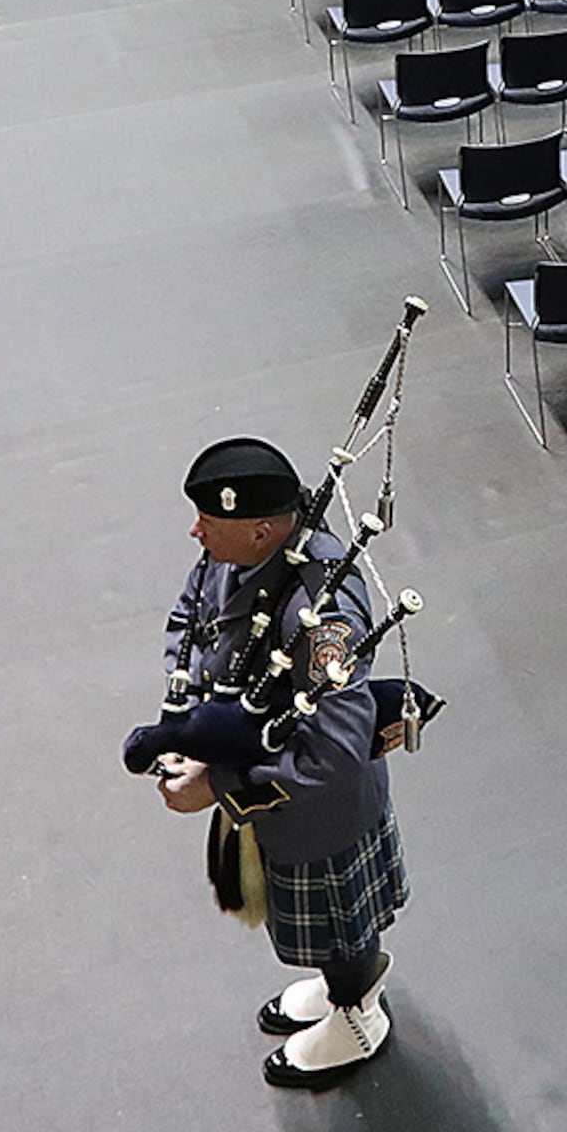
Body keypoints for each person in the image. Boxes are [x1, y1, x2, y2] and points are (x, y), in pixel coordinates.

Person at [151, 435, 410, 1089]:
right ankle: (337, 987)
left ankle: (357, 1012)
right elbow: (192, 614)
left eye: (209, 523)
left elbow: (336, 754)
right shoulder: (229, 557)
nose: (195, 532)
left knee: (340, 926)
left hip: (316, 814)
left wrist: (217, 782)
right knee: (319, 930)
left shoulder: (323, 619)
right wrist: (194, 713)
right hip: (265, 780)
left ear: (264, 530)